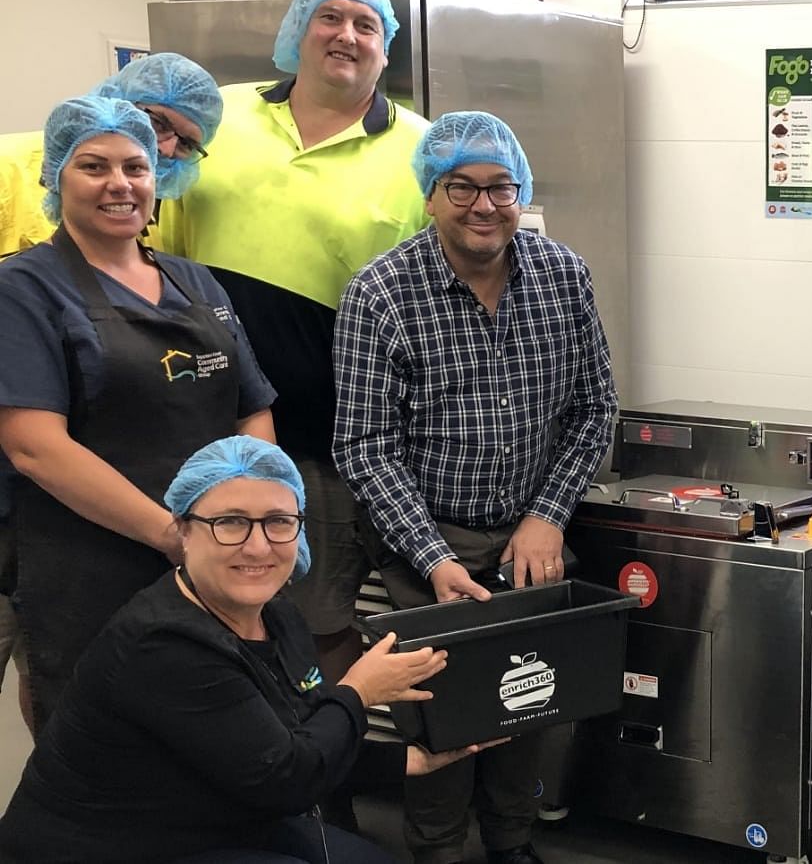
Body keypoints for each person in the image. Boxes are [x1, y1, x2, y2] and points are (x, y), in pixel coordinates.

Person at [333, 111, 617, 864]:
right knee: (445, 713)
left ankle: (514, 845)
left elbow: (595, 410)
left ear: (519, 192)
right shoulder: (381, 294)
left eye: (500, 186)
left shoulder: (563, 275)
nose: (483, 204)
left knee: (529, 696)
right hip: (428, 539)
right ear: (430, 195)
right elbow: (364, 448)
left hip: (529, 532)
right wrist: (432, 558)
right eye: (461, 186)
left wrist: (548, 518)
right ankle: (439, 853)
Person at [0, 436, 497, 863]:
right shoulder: (164, 643)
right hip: (112, 846)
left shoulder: (277, 614)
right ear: (184, 532)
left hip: (214, 807)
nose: (259, 547)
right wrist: (357, 691)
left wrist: (410, 760)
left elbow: (295, 738)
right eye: (231, 522)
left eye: (278, 522)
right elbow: (287, 778)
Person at [157, 0, 432, 686]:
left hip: (333, 442)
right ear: (297, 31)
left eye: (366, 24)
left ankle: (323, 779)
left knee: (315, 621)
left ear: (386, 44)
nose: (346, 35)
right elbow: (158, 251)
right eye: (330, 18)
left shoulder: (421, 150)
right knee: (205, 616)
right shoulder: (220, 116)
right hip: (201, 430)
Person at [0, 95, 275, 730]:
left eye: (136, 167)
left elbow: (252, 409)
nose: (120, 184)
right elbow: (35, 447)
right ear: (55, 177)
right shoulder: (23, 290)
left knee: (211, 729)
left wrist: (260, 520)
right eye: (94, 167)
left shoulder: (196, 282)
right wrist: (174, 536)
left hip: (213, 554)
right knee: (102, 744)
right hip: (90, 561)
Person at [0, 51, 222, 258]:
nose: (165, 149)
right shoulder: (7, 169)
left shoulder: (141, 208)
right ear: (120, 98)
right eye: (159, 122)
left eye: (186, 143)